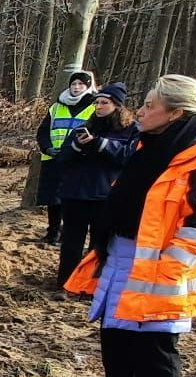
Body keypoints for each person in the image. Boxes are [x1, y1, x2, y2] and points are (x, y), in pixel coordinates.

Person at [64, 74, 196, 377]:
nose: (140, 111)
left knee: (156, 347)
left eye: (150, 105)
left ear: (175, 113)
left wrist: (171, 267)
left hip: (164, 268)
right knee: (116, 336)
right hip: (125, 254)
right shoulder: (146, 145)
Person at [51, 83, 138, 288]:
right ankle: (66, 282)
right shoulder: (85, 127)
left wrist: (100, 144)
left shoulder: (131, 130)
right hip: (75, 193)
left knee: (100, 244)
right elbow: (63, 158)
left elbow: (130, 157)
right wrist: (77, 146)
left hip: (107, 195)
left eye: (104, 103)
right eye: (97, 102)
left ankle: (92, 284)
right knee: (71, 243)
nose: (98, 107)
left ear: (117, 105)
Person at [37, 70, 99, 244]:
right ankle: (52, 232)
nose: (76, 87)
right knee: (53, 199)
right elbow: (43, 131)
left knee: (71, 199)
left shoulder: (94, 107)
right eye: (73, 84)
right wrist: (47, 148)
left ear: (88, 86)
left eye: (81, 84)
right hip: (53, 159)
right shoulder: (56, 107)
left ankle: (67, 233)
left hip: (78, 160)